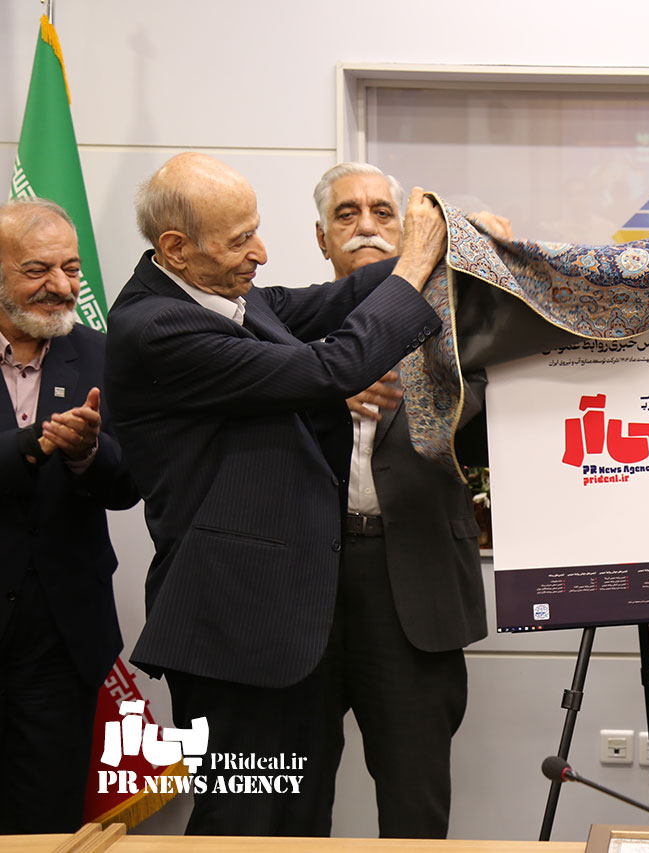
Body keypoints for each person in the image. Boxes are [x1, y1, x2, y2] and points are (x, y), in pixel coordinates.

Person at [104, 152, 447, 836]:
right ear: (177, 247)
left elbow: (330, 300)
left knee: (295, 818)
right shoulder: (157, 327)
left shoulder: (224, 293)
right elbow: (333, 366)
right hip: (230, 628)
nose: (260, 252)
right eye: (240, 240)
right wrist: (413, 265)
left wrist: (447, 247)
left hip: (279, 622)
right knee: (242, 818)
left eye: (256, 230)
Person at [311, 162, 492, 838]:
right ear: (322, 237)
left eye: (382, 212)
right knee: (293, 799)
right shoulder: (281, 325)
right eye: (347, 213)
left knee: (415, 804)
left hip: (413, 585)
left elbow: (488, 429)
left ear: (408, 230)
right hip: (305, 589)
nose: (366, 225)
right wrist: (327, 386)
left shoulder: (456, 323)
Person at [0, 198, 138, 833]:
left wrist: (86, 454)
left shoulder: (105, 356)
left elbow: (130, 483)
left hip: (60, 639)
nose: (61, 286)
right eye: (37, 270)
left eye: (72, 268)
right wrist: (35, 445)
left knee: (47, 824)